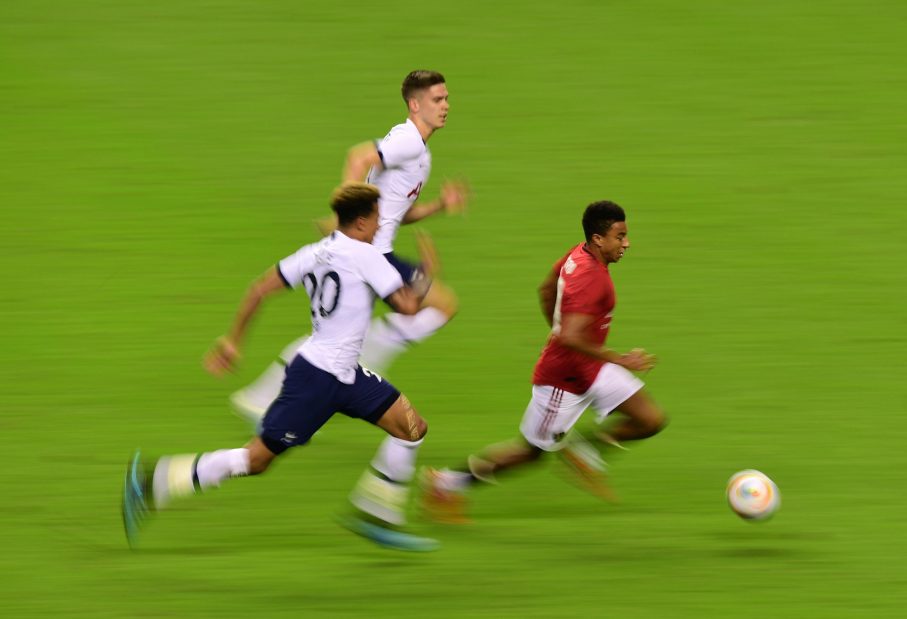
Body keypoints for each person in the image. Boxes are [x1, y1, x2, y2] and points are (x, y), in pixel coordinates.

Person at [122, 183, 441, 551]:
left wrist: (233, 340)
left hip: (344, 374)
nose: (381, 223)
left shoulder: (313, 253)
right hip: (318, 382)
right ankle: (153, 482)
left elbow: (259, 288)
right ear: (361, 222)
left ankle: (377, 512)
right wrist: (426, 274)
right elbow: (409, 308)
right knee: (255, 460)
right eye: (376, 217)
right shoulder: (368, 257)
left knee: (412, 427)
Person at [230, 70, 469, 425]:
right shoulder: (409, 142)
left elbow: (397, 212)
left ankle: (259, 397)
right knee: (441, 306)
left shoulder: (418, 152)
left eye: (447, 98)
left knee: (330, 334)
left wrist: (438, 206)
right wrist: (344, 208)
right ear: (414, 104)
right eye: (438, 99)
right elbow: (358, 157)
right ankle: (369, 356)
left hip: (372, 247)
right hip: (375, 253)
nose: (446, 106)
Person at [421, 201, 668, 523]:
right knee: (530, 453)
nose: (626, 243)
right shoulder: (592, 279)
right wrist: (620, 358)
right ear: (597, 239)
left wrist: (559, 328)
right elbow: (570, 337)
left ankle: (585, 451)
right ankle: (445, 483)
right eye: (619, 237)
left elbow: (545, 290)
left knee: (650, 419)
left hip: (592, 369)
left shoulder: (576, 255)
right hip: (562, 380)